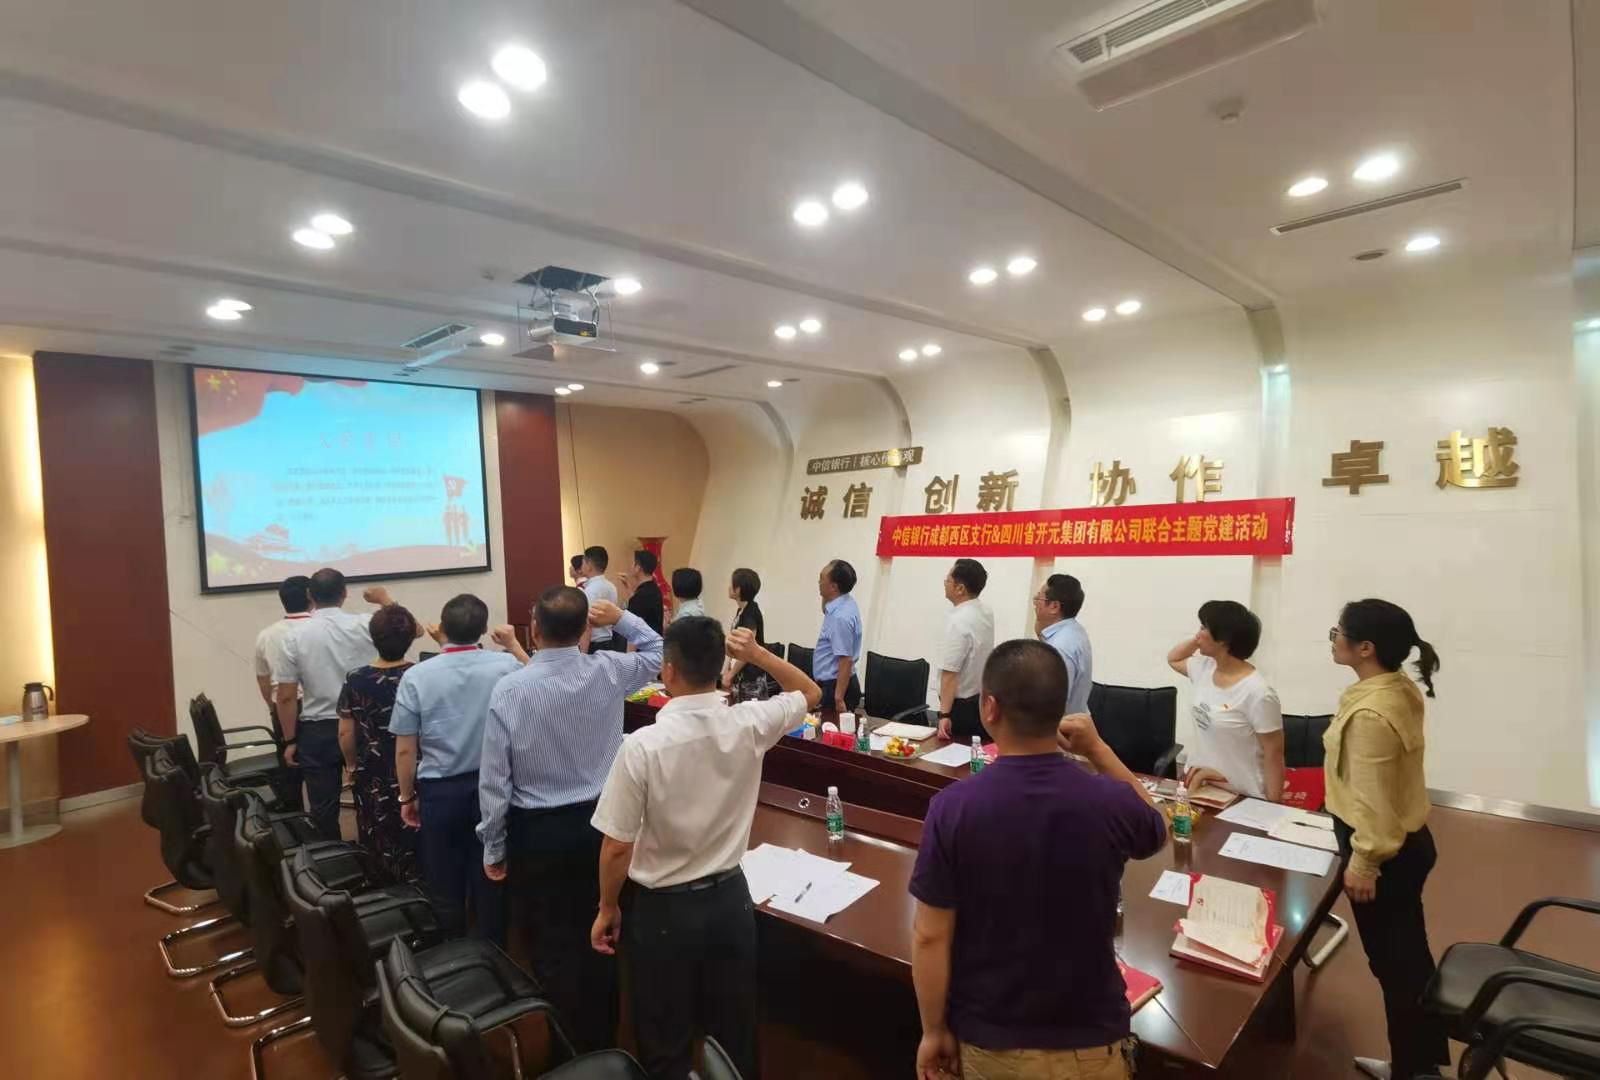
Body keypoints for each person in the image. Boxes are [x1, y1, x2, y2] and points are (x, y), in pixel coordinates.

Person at [911, 640, 1169, 1080]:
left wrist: (933, 1030)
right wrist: (1098, 749)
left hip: (993, 1045)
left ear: (989, 708)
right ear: (1061, 710)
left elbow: (930, 936)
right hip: (1093, 1046)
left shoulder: (953, 807)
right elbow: (1158, 822)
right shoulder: (1107, 800)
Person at [591, 619, 820, 1079]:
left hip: (664, 912)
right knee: (734, 1034)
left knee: (665, 1036)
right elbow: (811, 692)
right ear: (719, 667)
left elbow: (617, 846)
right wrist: (757, 655)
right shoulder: (750, 722)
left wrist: (607, 907)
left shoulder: (643, 746)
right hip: (730, 903)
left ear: (668, 670)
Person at [478, 590, 663, 1052]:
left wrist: (494, 846)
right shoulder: (609, 670)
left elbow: (495, 780)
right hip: (604, 827)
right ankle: (604, 1044)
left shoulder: (510, 689)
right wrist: (621, 618)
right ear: (585, 630)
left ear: (534, 629)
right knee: (605, 934)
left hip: (538, 834)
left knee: (550, 945)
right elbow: (659, 651)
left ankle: (565, 1050)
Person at [1327, 599, 1449, 1080]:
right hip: (1408, 841)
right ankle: (1420, 1065)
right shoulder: (1397, 687)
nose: (1333, 638)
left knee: (1396, 968)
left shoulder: (1371, 714)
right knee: (1410, 961)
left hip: (1384, 852)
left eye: (1338, 632)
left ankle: (1412, 1071)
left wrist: (1364, 863)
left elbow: (1374, 803)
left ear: (1365, 648)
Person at [391, 594, 526, 942]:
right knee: (491, 870)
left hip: (440, 791)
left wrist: (406, 796)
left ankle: (451, 951)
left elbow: (405, 749)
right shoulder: (506, 666)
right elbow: (542, 682)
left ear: (442, 627)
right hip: (494, 786)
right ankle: (494, 951)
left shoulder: (416, 676)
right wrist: (513, 645)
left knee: (443, 876)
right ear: (483, 629)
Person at [273, 569, 407, 839]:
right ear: (345, 593)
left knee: (322, 808)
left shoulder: (293, 636)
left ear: (310, 595)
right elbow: (411, 630)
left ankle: (332, 859)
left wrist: (290, 740)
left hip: (318, 730)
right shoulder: (366, 624)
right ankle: (375, 854)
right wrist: (385, 600)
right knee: (376, 798)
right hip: (365, 727)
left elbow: (286, 696)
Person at [1165, 600, 1284, 801]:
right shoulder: (1204, 667)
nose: (1197, 633)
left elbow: (1274, 753)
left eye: (1203, 627)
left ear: (1223, 639)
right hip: (1198, 785)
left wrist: (1274, 806)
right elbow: (1173, 659)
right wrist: (1198, 639)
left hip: (1241, 794)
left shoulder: (1259, 692)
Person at [335, 604, 419, 884]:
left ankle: (382, 886)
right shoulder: (420, 675)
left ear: (373, 638)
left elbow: (345, 732)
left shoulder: (356, 679)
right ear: (410, 638)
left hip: (373, 767)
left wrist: (350, 765)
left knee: (377, 827)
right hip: (416, 765)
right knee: (415, 827)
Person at [935, 559, 995, 742]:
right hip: (979, 702)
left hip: (959, 709)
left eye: (948, 580)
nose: (945, 583)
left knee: (951, 755)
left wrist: (944, 715)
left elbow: (950, 673)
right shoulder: (985, 612)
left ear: (960, 588)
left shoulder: (959, 621)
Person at [253, 575, 311, 723]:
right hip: (320, 710)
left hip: (281, 709)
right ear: (311, 596)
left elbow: (263, 679)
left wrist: (274, 710)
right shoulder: (323, 629)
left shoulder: (266, 635)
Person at [1034, 573, 1093, 717]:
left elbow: (1051, 705)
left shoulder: (1059, 648)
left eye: (1039, 598)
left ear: (1054, 606)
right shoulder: (1075, 630)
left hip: (1059, 726)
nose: (1035, 603)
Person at [813, 559, 864, 713]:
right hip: (835, 682)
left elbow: (845, 659)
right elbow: (825, 609)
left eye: (821, 579)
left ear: (834, 587)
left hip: (836, 686)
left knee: (832, 727)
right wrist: (825, 593)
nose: (818, 582)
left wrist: (838, 698)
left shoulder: (840, 617)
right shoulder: (844, 600)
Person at [722, 567, 766, 692]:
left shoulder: (751, 613)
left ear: (738, 589)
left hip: (751, 678)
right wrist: (727, 671)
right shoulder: (741, 611)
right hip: (739, 674)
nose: (729, 587)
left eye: (731, 584)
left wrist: (730, 674)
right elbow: (734, 645)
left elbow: (747, 648)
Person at [580, 545, 622, 653]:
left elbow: (587, 625)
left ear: (589, 565)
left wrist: (583, 654)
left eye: (583, 562)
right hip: (610, 642)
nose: (581, 565)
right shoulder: (612, 587)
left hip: (594, 645)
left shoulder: (590, 591)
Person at [624, 550, 665, 635]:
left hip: (643, 642)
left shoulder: (643, 594)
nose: (631, 567)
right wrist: (627, 586)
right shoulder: (653, 588)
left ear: (638, 568)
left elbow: (631, 624)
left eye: (633, 564)